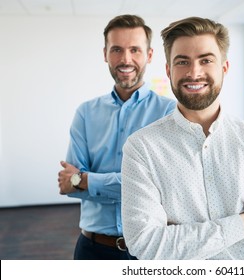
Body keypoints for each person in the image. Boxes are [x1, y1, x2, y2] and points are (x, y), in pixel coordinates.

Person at [121, 17, 244, 260]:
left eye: (206, 60)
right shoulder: (142, 148)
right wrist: (242, 225)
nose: (194, 72)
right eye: (182, 62)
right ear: (169, 70)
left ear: (224, 68)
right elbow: (146, 244)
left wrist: (186, 255)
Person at [57, 14, 176, 260]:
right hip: (91, 249)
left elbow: (162, 187)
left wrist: (87, 180)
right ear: (105, 54)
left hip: (150, 251)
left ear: (150, 55)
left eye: (135, 50)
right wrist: (83, 182)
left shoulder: (169, 113)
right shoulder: (86, 113)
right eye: (117, 50)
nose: (125, 59)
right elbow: (70, 186)